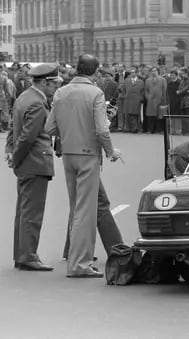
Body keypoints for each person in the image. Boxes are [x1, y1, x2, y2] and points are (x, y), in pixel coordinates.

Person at [45, 54, 121, 278]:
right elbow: (101, 130)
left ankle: (77, 257)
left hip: (69, 153)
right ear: (94, 71)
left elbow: (50, 128)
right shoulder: (95, 93)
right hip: (88, 154)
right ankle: (79, 263)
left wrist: (70, 131)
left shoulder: (61, 91)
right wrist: (111, 152)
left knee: (78, 206)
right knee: (85, 211)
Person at [4, 63, 60, 271]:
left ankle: (22, 254)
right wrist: (16, 156)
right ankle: (28, 256)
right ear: (44, 82)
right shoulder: (37, 102)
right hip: (34, 161)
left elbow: (13, 127)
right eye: (53, 84)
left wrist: (10, 150)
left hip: (26, 162)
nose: (55, 88)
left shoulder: (24, 97)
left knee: (23, 211)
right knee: (32, 213)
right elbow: (28, 137)